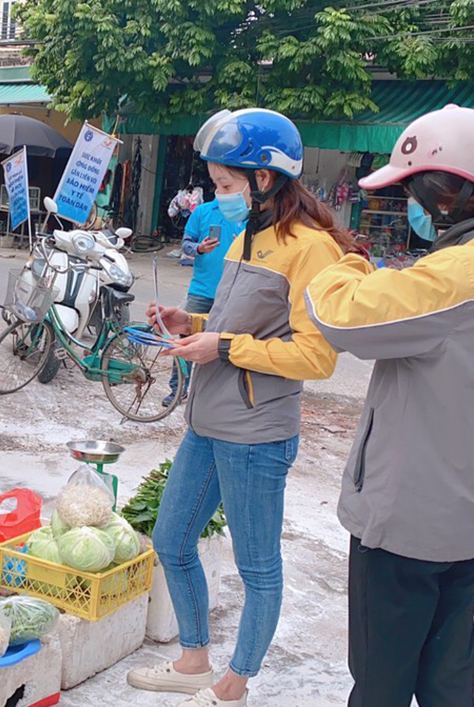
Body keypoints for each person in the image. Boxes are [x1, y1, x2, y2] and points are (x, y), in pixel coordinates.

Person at [304, 106, 474, 707]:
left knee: (381, 685)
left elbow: (338, 315)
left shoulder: (453, 277)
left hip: (406, 527)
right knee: (447, 682)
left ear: (448, 197)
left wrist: (341, 261)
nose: (414, 206)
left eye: (414, 192)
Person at [127, 108, 353, 707]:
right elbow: (235, 323)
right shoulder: (247, 236)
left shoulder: (313, 251)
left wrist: (221, 345)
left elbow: (317, 356)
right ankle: (195, 659)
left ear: (265, 178)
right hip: (209, 421)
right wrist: (191, 322)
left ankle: (234, 684)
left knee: (258, 568)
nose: (217, 196)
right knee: (172, 540)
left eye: (225, 185)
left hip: (257, 435)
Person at [163, 197, 246, 406]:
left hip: (235, 291)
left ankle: (216, 396)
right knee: (185, 341)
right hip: (201, 290)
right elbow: (186, 245)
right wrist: (199, 248)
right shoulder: (202, 211)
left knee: (225, 345)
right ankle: (178, 389)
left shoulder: (250, 214)